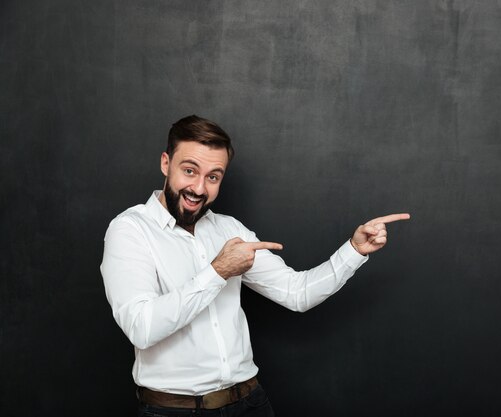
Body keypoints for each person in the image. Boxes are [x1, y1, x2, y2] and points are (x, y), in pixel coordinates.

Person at [100, 115, 410, 416]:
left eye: (213, 177)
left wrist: (355, 250)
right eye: (189, 170)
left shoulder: (229, 230)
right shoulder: (130, 229)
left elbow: (296, 293)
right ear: (166, 163)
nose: (198, 189)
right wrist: (218, 271)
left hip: (249, 402)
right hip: (173, 410)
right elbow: (141, 327)